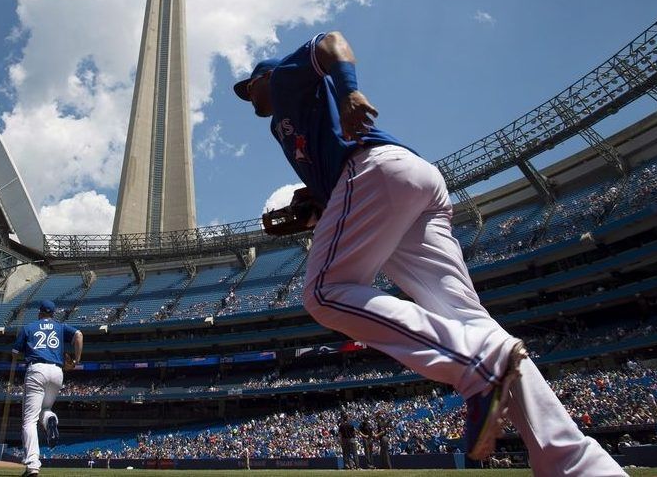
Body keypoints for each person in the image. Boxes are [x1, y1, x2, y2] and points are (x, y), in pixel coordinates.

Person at [234, 31, 626, 476]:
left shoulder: (283, 81)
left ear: (265, 77)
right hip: (409, 179)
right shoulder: (288, 124)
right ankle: (579, 465)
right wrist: (318, 200)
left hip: (375, 169)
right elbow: (331, 167)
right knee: (471, 321)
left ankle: (471, 364)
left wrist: (349, 91)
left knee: (324, 291)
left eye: (249, 86)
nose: (247, 96)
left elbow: (330, 43)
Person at [13, 299, 82, 477]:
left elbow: (14, 353)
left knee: (29, 420)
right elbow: (79, 335)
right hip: (57, 371)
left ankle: (33, 465)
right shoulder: (60, 326)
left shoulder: (29, 327)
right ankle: (51, 420)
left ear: (40, 312)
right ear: (53, 313)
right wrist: (76, 361)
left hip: (37, 369)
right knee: (46, 409)